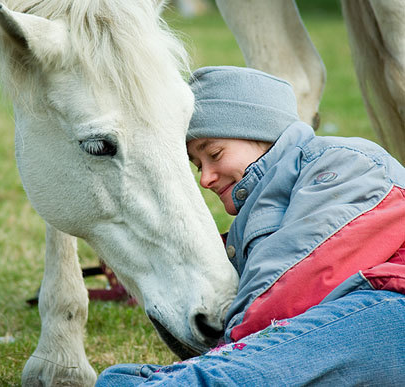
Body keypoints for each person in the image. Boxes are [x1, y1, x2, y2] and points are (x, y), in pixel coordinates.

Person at [96, 66, 405, 386]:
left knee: (202, 379)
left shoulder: (343, 161)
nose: (205, 178)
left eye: (214, 153)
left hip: (390, 305)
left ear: (261, 132)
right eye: (198, 165)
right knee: (118, 378)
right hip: (336, 327)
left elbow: (305, 270)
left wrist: (229, 349)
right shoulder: (256, 217)